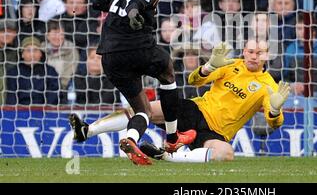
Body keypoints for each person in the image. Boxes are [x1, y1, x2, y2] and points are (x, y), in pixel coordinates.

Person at [69, 40, 291, 163]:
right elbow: (194, 81)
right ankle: (87, 131)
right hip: (195, 110)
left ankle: (166, 156)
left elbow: (274, 123)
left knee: (226, 154)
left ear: (266, 56)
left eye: (259, 52)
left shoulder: (268, 86)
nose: (253, 55)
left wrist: (275, 109)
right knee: (144, 108)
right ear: (244, 50)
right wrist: (209, 67)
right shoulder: (231, 64)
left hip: (216, 133)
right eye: (250, 51)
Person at [89, 0, 195, 165]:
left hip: (108, 54)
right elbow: (139, 0)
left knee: (143, 110)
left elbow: (98, 2)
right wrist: (134, 11)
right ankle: (173, 137)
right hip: (136, 47)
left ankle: (131, 138)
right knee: (167, 71)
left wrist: (122, 10)